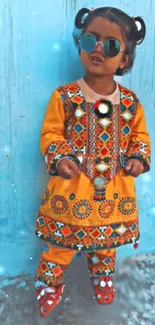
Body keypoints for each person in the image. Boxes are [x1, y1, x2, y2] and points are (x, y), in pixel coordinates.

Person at [35, 7, 151, 318]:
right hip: (72, 187)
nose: (98, 50)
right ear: (81, 46)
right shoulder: (65, 96)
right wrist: (60, 158)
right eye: (90, 41)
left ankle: (102, 277)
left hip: (114, 190)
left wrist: (139, 158)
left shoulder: (130, 103)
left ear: (124, 59)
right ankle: (50, 283)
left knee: (106, 243)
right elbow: (51, 133)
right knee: (60, 243)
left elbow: (140, 136)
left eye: (110, 45)